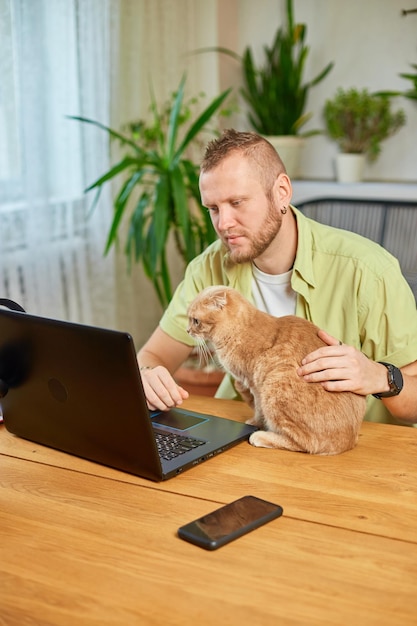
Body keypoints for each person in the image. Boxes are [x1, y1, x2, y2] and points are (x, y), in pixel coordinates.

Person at [138, 129, 417, 426]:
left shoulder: (368, 271)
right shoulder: (208, 267)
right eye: (213, 209)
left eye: (237, 202)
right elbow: (153, 355)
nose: (224, 223)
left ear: (281, 191)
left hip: (347, 451)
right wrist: (147, 377)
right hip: (248, 434)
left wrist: (380, 376)